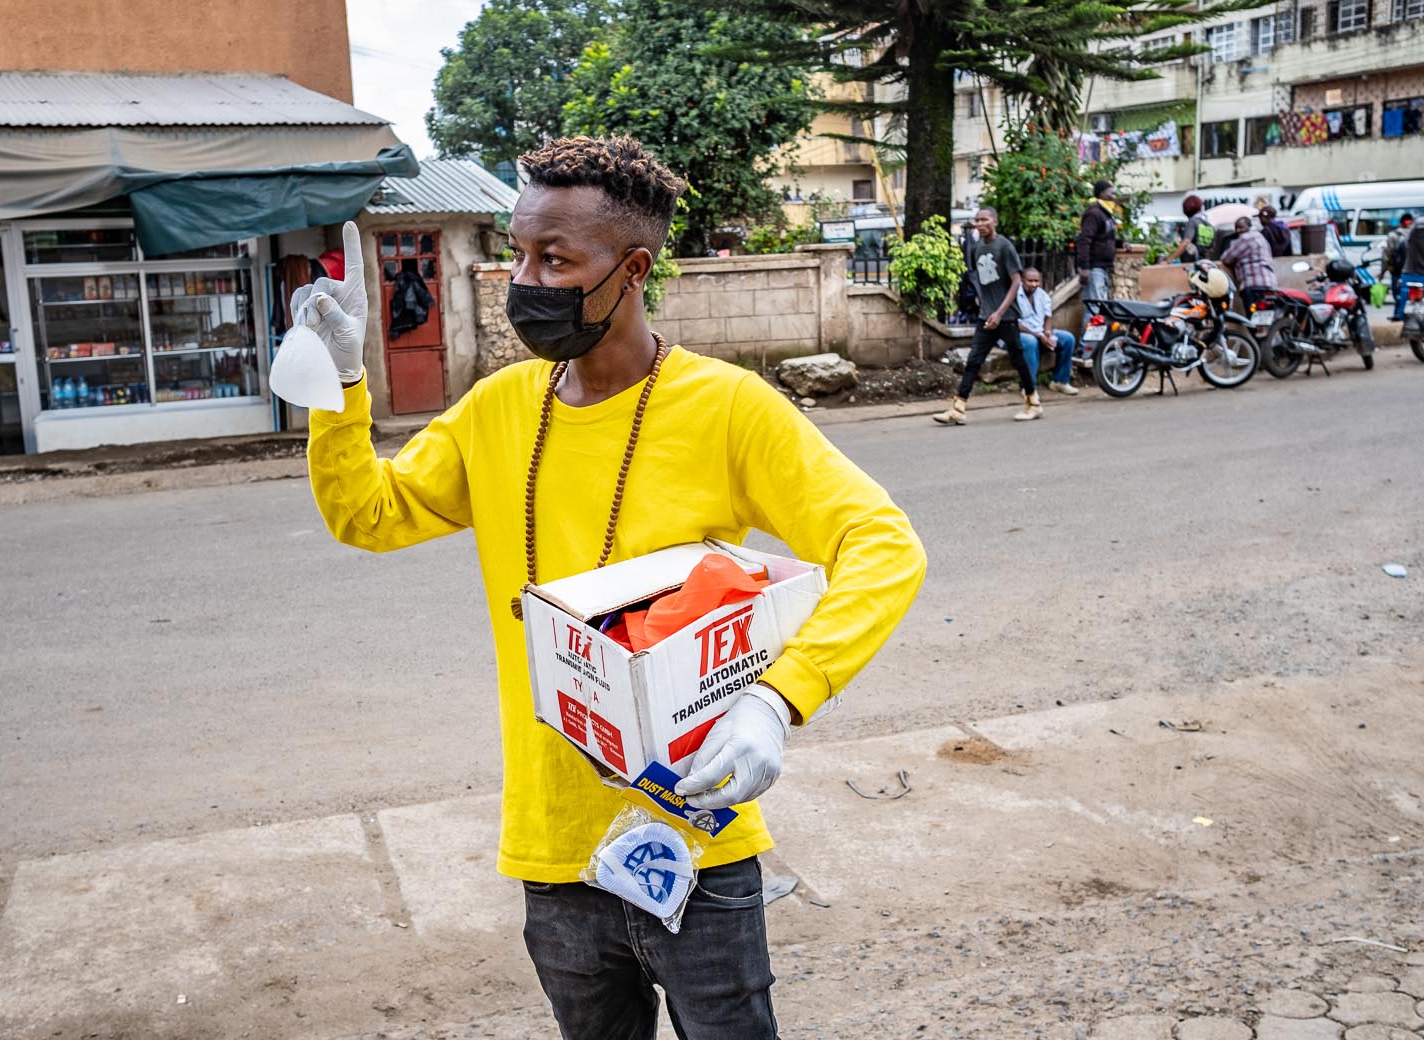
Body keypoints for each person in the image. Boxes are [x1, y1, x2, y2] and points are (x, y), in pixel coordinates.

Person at [299, 135, 926, 1040]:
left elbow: (882, 543)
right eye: (518, 252)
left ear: (631, 268)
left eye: (554, 258)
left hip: (698, 841)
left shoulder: (727, 409)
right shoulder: (498, 410)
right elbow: (368, 513)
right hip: (554, 849)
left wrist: (778, 702)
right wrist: (341, 381)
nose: (525, 278)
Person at [932, 206, 1042, 424]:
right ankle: (959, 408)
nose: (980, 224)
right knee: (973, 360)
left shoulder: (1004, 246)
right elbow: (981, 282)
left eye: (984, 220)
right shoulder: (978, 247)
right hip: (987, 315)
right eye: (977, 220)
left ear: (995, 222)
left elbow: (1016, 282)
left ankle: (1034, 402)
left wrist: (1000, 313)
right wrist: (984, 307)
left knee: (1018, 359)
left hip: (1006, 315)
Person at [1016, 267, 1078, 395]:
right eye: (1030, 281)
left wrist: (1048, 332)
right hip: (1021, 334)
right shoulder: (1015, 295)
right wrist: (1039, 336)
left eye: (1036, 281)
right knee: (1031, 342)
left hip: (1040, 332)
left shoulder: (1042, 294)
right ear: (1022, 280)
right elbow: (1015, 324)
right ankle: (1029, 388)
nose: (1034, 284)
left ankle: (1059, 382)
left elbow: (1048, 316)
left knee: (1068, 338)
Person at [1076, 179, 1119, 312]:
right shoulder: (1094, 213)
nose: (1113, 196)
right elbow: (1085, 240)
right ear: (1101, 194)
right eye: (1109, 193)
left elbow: (1106, 238)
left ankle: (1096, 333)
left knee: (1100, 308)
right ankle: (1089, 334)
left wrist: (1122, 243)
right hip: (1094, 267)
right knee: (1095, 309)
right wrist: (1085, 267)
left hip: (1102, 267)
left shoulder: (1106, 213)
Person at [1218, 216, 1278, 310]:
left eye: (1241, 227)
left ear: (1249, 226)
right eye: (1236, 228)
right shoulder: (1260, 237)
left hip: (1252, 284)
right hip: (1269, 283)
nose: (1238, 230)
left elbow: (1226, 258)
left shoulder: (1245, 238)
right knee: (1269, 315)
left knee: (1253, 316)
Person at [1382, 212, 1414, 306]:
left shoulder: (1393, 235)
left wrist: (1383, 270)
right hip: (1412, 269)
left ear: (1400, 223)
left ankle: (1399, 312)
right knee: (1409, 290)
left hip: (1396, 270)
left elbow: (1387, 254)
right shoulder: (1416, 233)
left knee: (1397, 292)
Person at [1174, 195, 1215, 264]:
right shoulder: (1209, 225)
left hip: (1192, 264)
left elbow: (1186, 242)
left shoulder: (1192, 222)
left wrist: (1168, 260)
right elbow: (1211, 248)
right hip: (1205, 263)